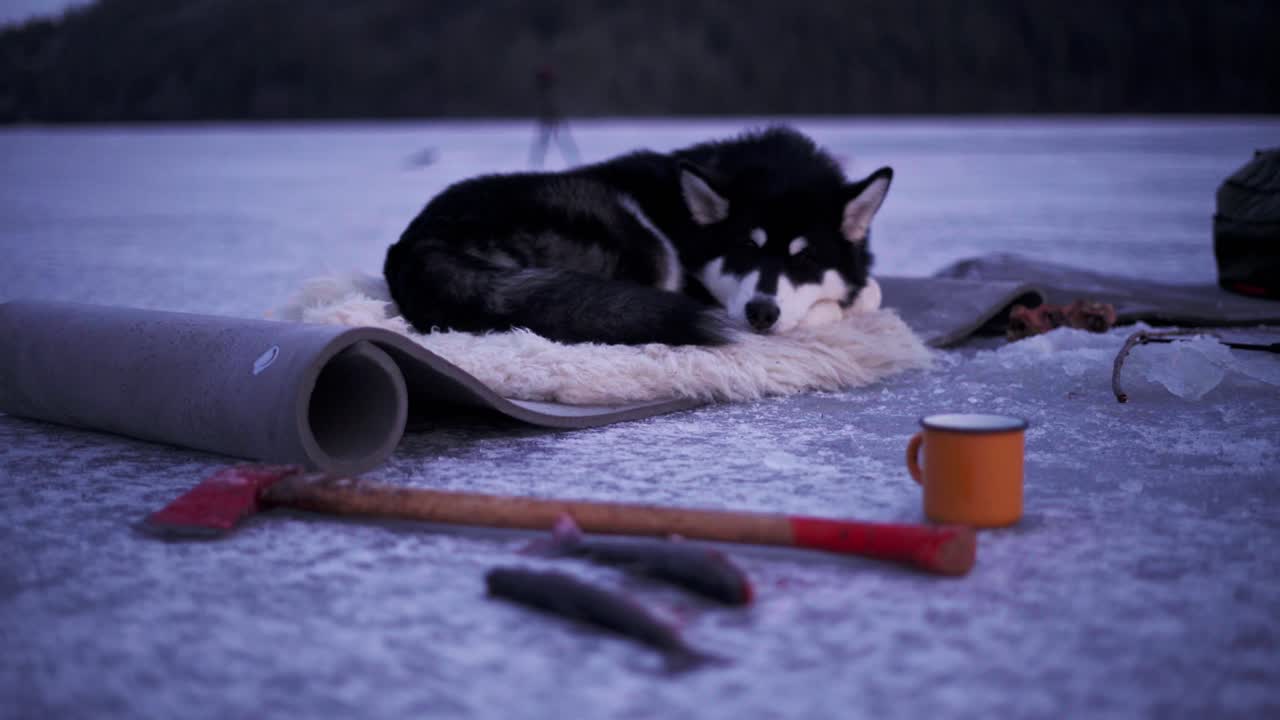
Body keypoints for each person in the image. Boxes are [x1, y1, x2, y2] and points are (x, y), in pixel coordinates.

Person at [529, 66, 579, 169]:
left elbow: (550, 105)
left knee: (545, 144)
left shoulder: (544, 90)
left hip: (550, 119)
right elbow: (551, 105)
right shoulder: (547, 90)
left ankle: (536, 165)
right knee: (562, 143)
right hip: (551, 119)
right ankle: (574, 164)